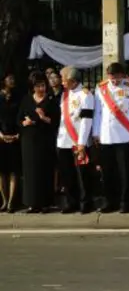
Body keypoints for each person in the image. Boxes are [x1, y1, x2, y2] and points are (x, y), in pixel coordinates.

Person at [92, 63, 129, 214]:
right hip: (106, 135)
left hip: (124, 134)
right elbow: (98, 112)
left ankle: (126, 202)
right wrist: (96, 132)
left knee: (125, 172)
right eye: (111, 77)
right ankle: (110, 201)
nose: (114, 80)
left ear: (123, 75)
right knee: (107, 172)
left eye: (117, 77)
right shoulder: (101, 88)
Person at [55, 66, 94, 214]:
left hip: (78, 141)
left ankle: (85, 202)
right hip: (63, 140)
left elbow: (86, 121)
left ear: (72, 80)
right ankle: (71, 202)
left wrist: (82, 143)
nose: (62, 82)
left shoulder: (85, 95)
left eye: (64, 80)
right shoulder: (65, 94)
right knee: (67, 174)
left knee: (82, 175)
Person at [18, 72, 58, 213]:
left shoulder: (51, 100)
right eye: (38, 86)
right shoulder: (26, 100)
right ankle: (32, 203)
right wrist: (25, 122)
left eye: (43, 85)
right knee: (30, 172)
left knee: (45, 170)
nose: (41, 88)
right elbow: (19, 120)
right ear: (32, 87)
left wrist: (43, 117)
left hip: (45, 140)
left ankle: (45, 203)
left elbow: (56, 121)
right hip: (29, 140)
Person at [0, 73, 22, 212]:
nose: (12, 81)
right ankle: (4, 200)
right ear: (3, 81)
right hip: (0, 138)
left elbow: (21, 115)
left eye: (14, 78)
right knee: (1, 172)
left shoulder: (18, 97)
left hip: (15, 137)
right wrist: (1, 135)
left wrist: (18, 134)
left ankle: (11, 202)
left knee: (14, 171)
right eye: (10, 79)